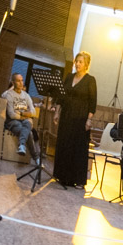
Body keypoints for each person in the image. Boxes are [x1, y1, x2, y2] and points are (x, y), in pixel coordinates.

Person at [53, 51, 97, 188]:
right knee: (64, 144)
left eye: (80, 62)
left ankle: (77, 179)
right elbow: (61, 96)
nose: (77, 64)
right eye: (76, 61)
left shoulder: (90, 80)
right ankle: (62, 176)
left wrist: (89, 120)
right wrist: (57, 112)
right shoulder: (69, 77)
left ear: (86, 65)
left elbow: (92, 102)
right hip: (66, 115)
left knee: (77, 148)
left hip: (80, 118)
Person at [1, 73, 38, 161]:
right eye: (18, 81)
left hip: (23, 120)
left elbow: (34, 112)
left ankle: (22, 145)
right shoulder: (9, 94)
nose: (21, 83)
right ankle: (36, 158)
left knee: (27, 123)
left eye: (22, 80)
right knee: (27, 131)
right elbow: (11, 114)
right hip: (12, 122)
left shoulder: (26, 95)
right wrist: (26, 115)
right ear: (13, 83)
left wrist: (22, 114)